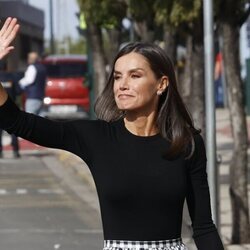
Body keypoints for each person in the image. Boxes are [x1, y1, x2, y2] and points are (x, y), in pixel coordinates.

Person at [0, 17, 224, 250]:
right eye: (117, 76)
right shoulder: (97, 138)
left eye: (135, 76)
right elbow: (17, 121)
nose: (122, 84)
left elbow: (204, 227)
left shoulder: (186, 143)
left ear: (161, 84)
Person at [0, 61, 20, 158]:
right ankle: (15, 151)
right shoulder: (12, 76)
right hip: (11, 107)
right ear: (6, 67)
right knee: (14, 131)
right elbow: (19, 90)